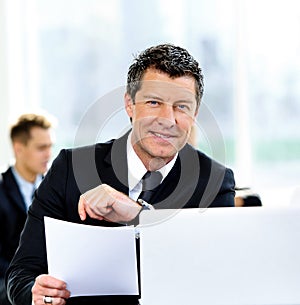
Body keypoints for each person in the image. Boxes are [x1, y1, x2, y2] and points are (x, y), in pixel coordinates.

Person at [6, 44, 235, 305]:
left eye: (181, 106)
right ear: (129, 104)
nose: (167, 119)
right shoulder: (70, 168)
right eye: (153, 102)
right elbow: (21, 274)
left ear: (194, 113)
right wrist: (37, 295)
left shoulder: (214, 182)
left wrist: (139, 216)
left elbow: (214, 279)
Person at [0, 113, 54, 305]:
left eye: (50, 146)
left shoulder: (54, 191)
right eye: (41, 148)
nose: (48, 154)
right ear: (18, 149)